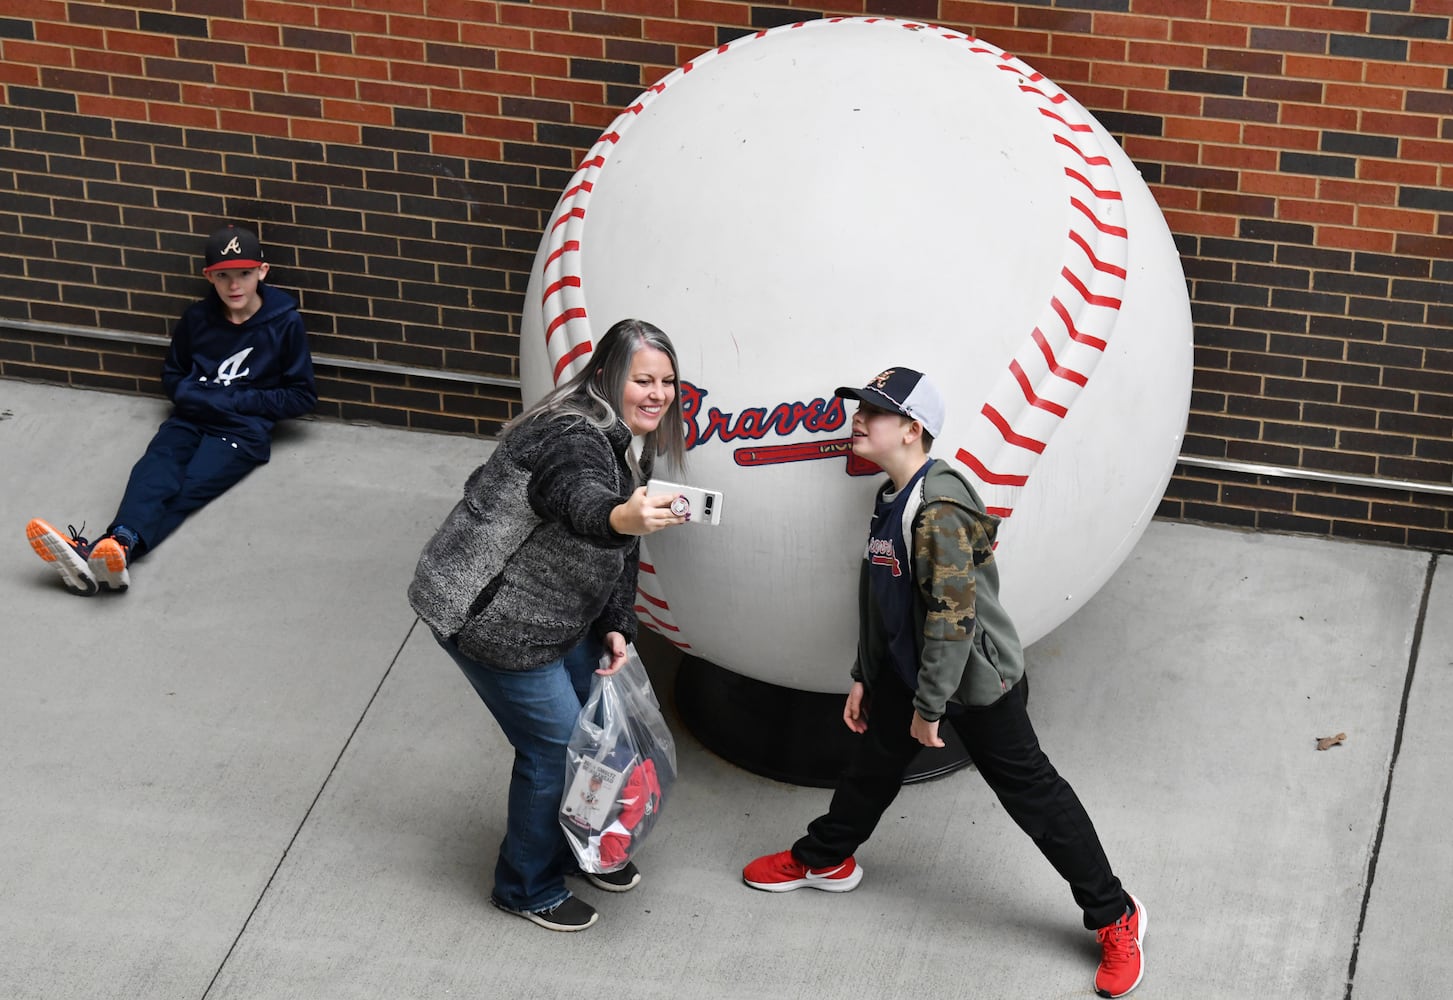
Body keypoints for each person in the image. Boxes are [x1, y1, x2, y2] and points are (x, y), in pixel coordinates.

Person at [742, 366, 1146, 998]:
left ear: (911, 429)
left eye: (874, 412)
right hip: (911, 675)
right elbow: (884, 600)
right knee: (871, 770)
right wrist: (865, 677)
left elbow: (952, 622)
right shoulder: (891, 498)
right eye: (862, 407)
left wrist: (929, 708)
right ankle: (825, 858)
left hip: (972, 683)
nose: (859, 419)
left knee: (1033, 797)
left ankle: (1116, 914)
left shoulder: (939, 510)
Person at [408, 318, 689, 933]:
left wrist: (617, 621)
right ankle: (525, 886)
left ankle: (577, 848)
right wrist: (619, 514)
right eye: (643, 379)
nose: (658, 393)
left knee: (595, 741)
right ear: (610, 377)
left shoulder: (623, 441)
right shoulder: (573, 436)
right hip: (493, 619)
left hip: (557, 613)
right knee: (558, 750)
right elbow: (576, 497)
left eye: (667, 381)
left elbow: (620, 542)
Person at [25, 225, 317, 595]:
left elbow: (301, 395)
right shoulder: (196, 319)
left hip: (241, 434)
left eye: (244, 273)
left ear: (262, 271)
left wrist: (234, 401)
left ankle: (104, 550)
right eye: (223, 276)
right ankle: (115, 550)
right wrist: (192, 396)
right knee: (153, 471)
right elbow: (174, 375)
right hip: (190, 419)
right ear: (208, 277)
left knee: (185, 489)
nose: (234, 286)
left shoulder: (285, 323)